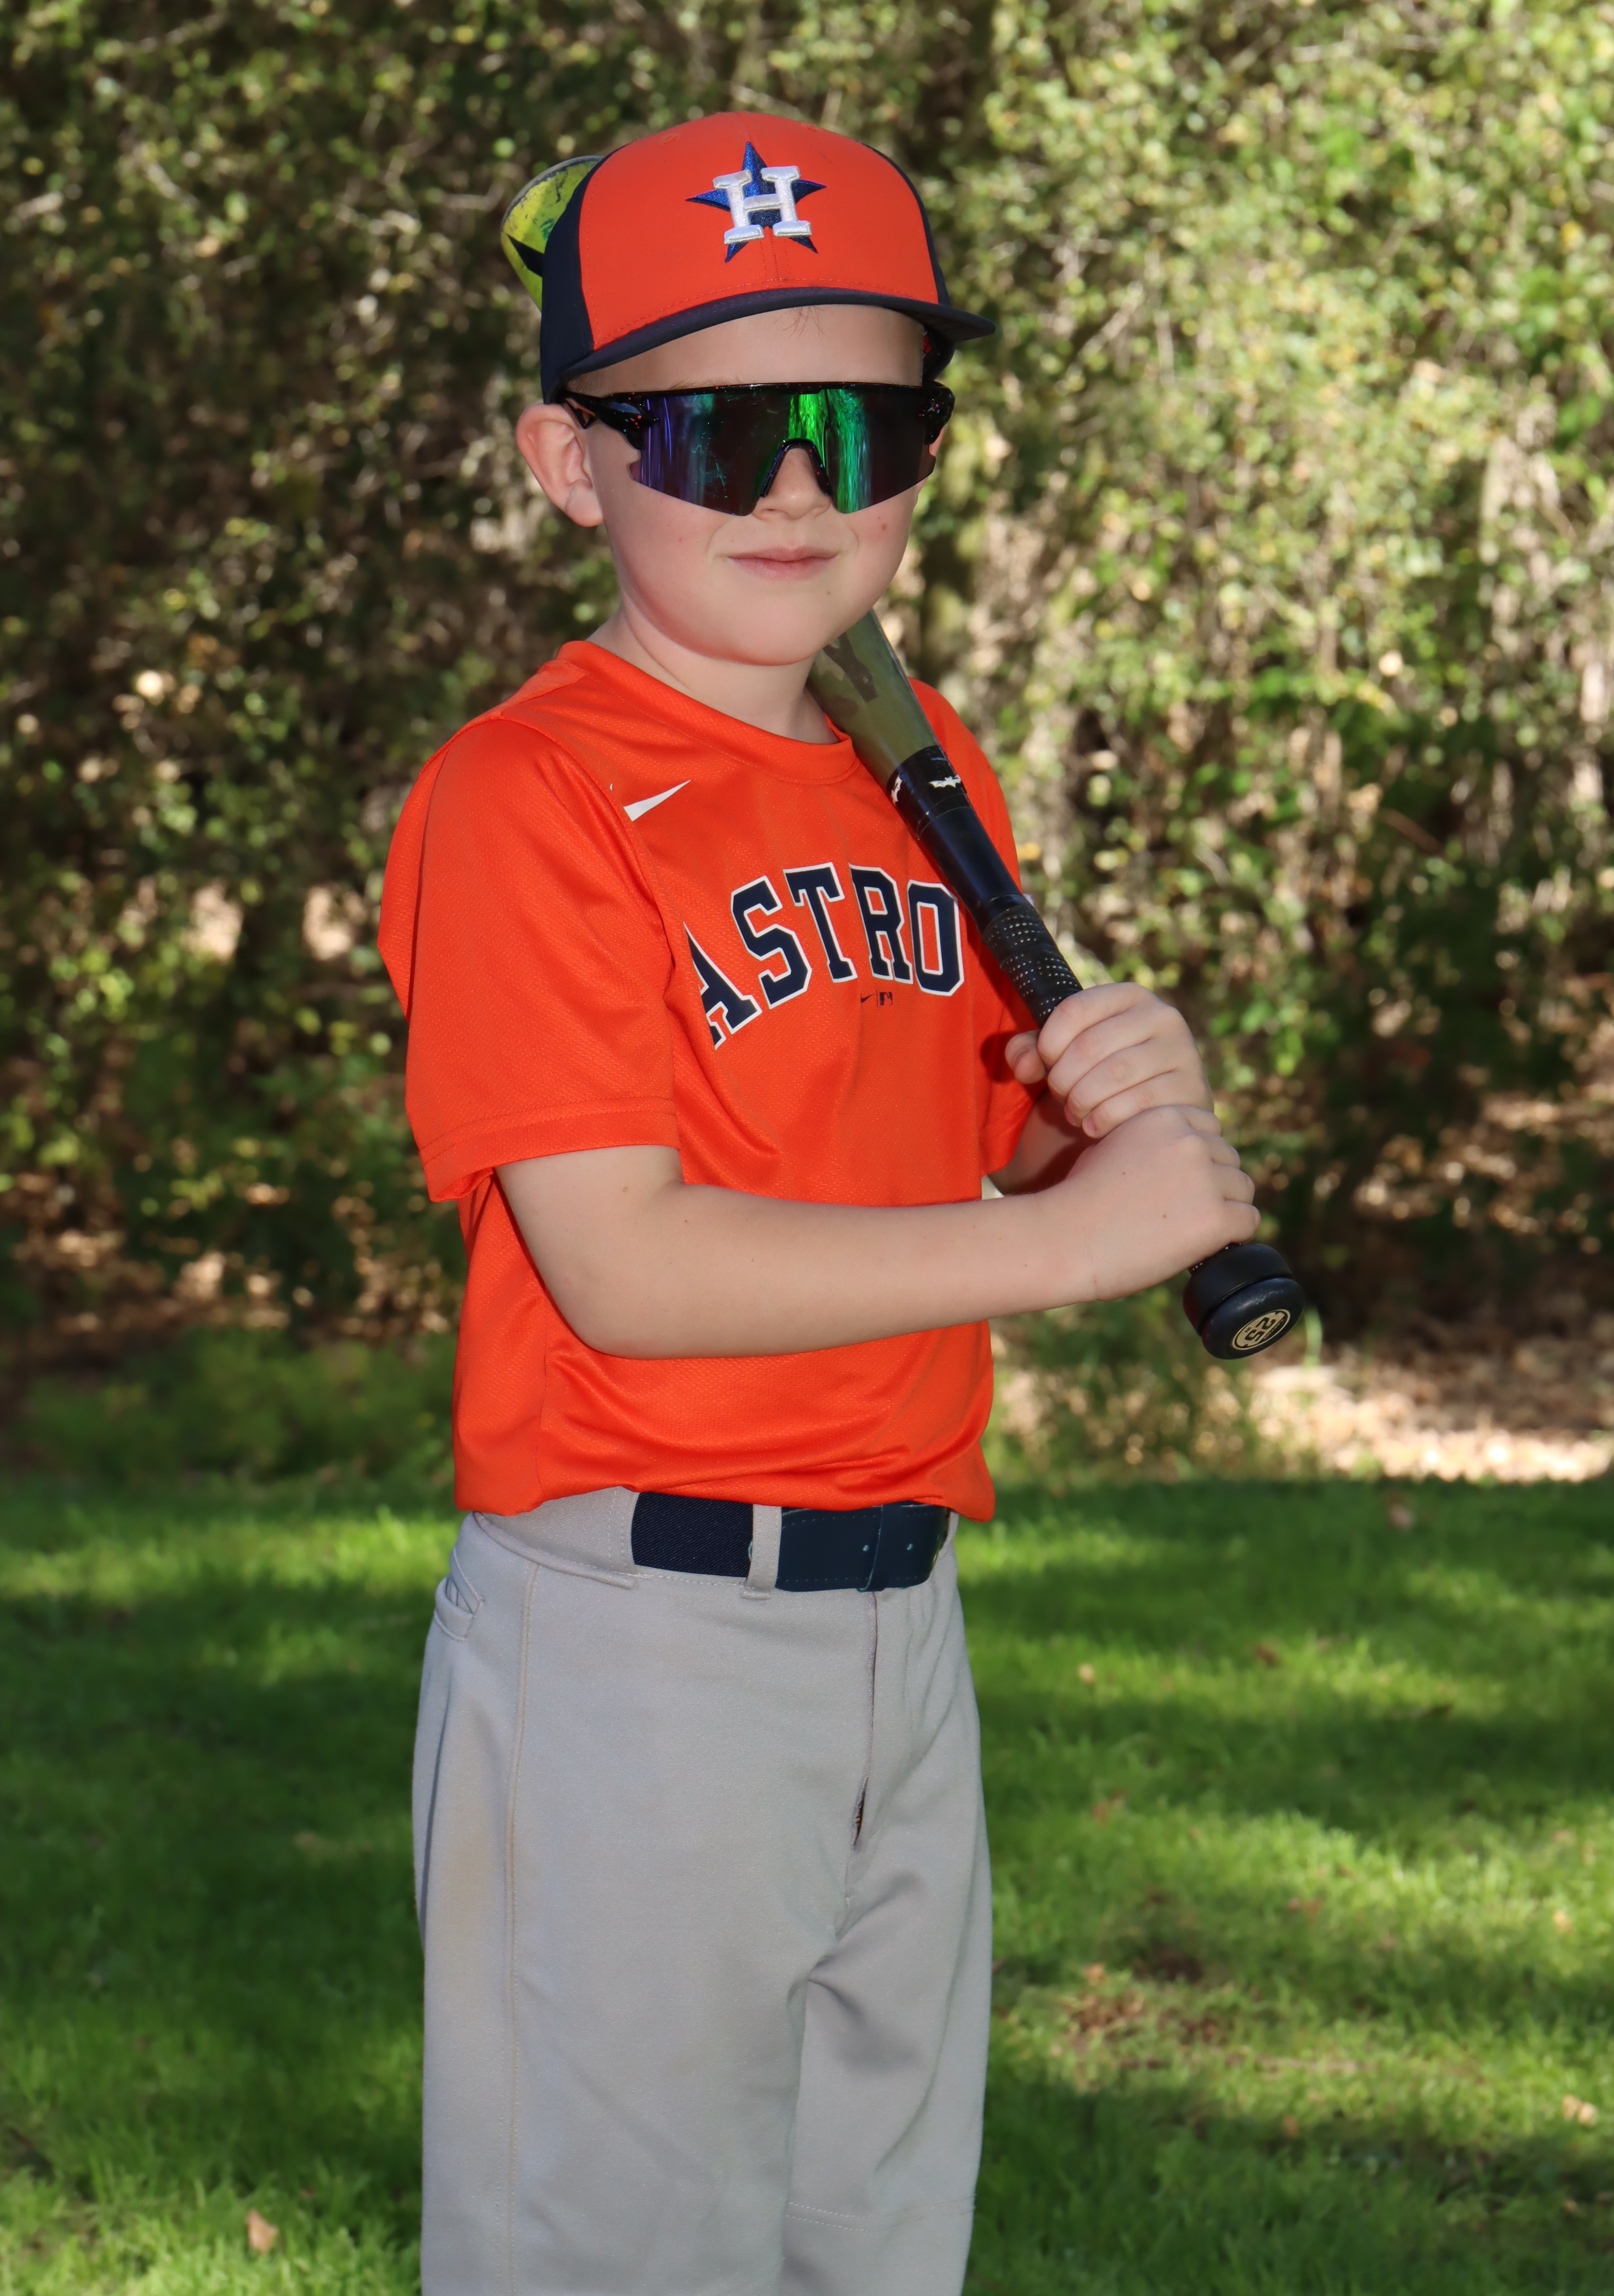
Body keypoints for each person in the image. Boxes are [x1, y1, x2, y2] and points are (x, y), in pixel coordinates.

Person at [378, 111, 1257, 2296]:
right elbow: (627, 1261)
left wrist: (1097, 1122)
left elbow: (946, 1146)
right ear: (568, 463)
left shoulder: (907, 758)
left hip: (898, 1617)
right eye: (715, 427)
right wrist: (1067, 1246)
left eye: (860, 427)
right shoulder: (526, 795)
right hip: (637, 1636)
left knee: (868, 2246)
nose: (793, 487)